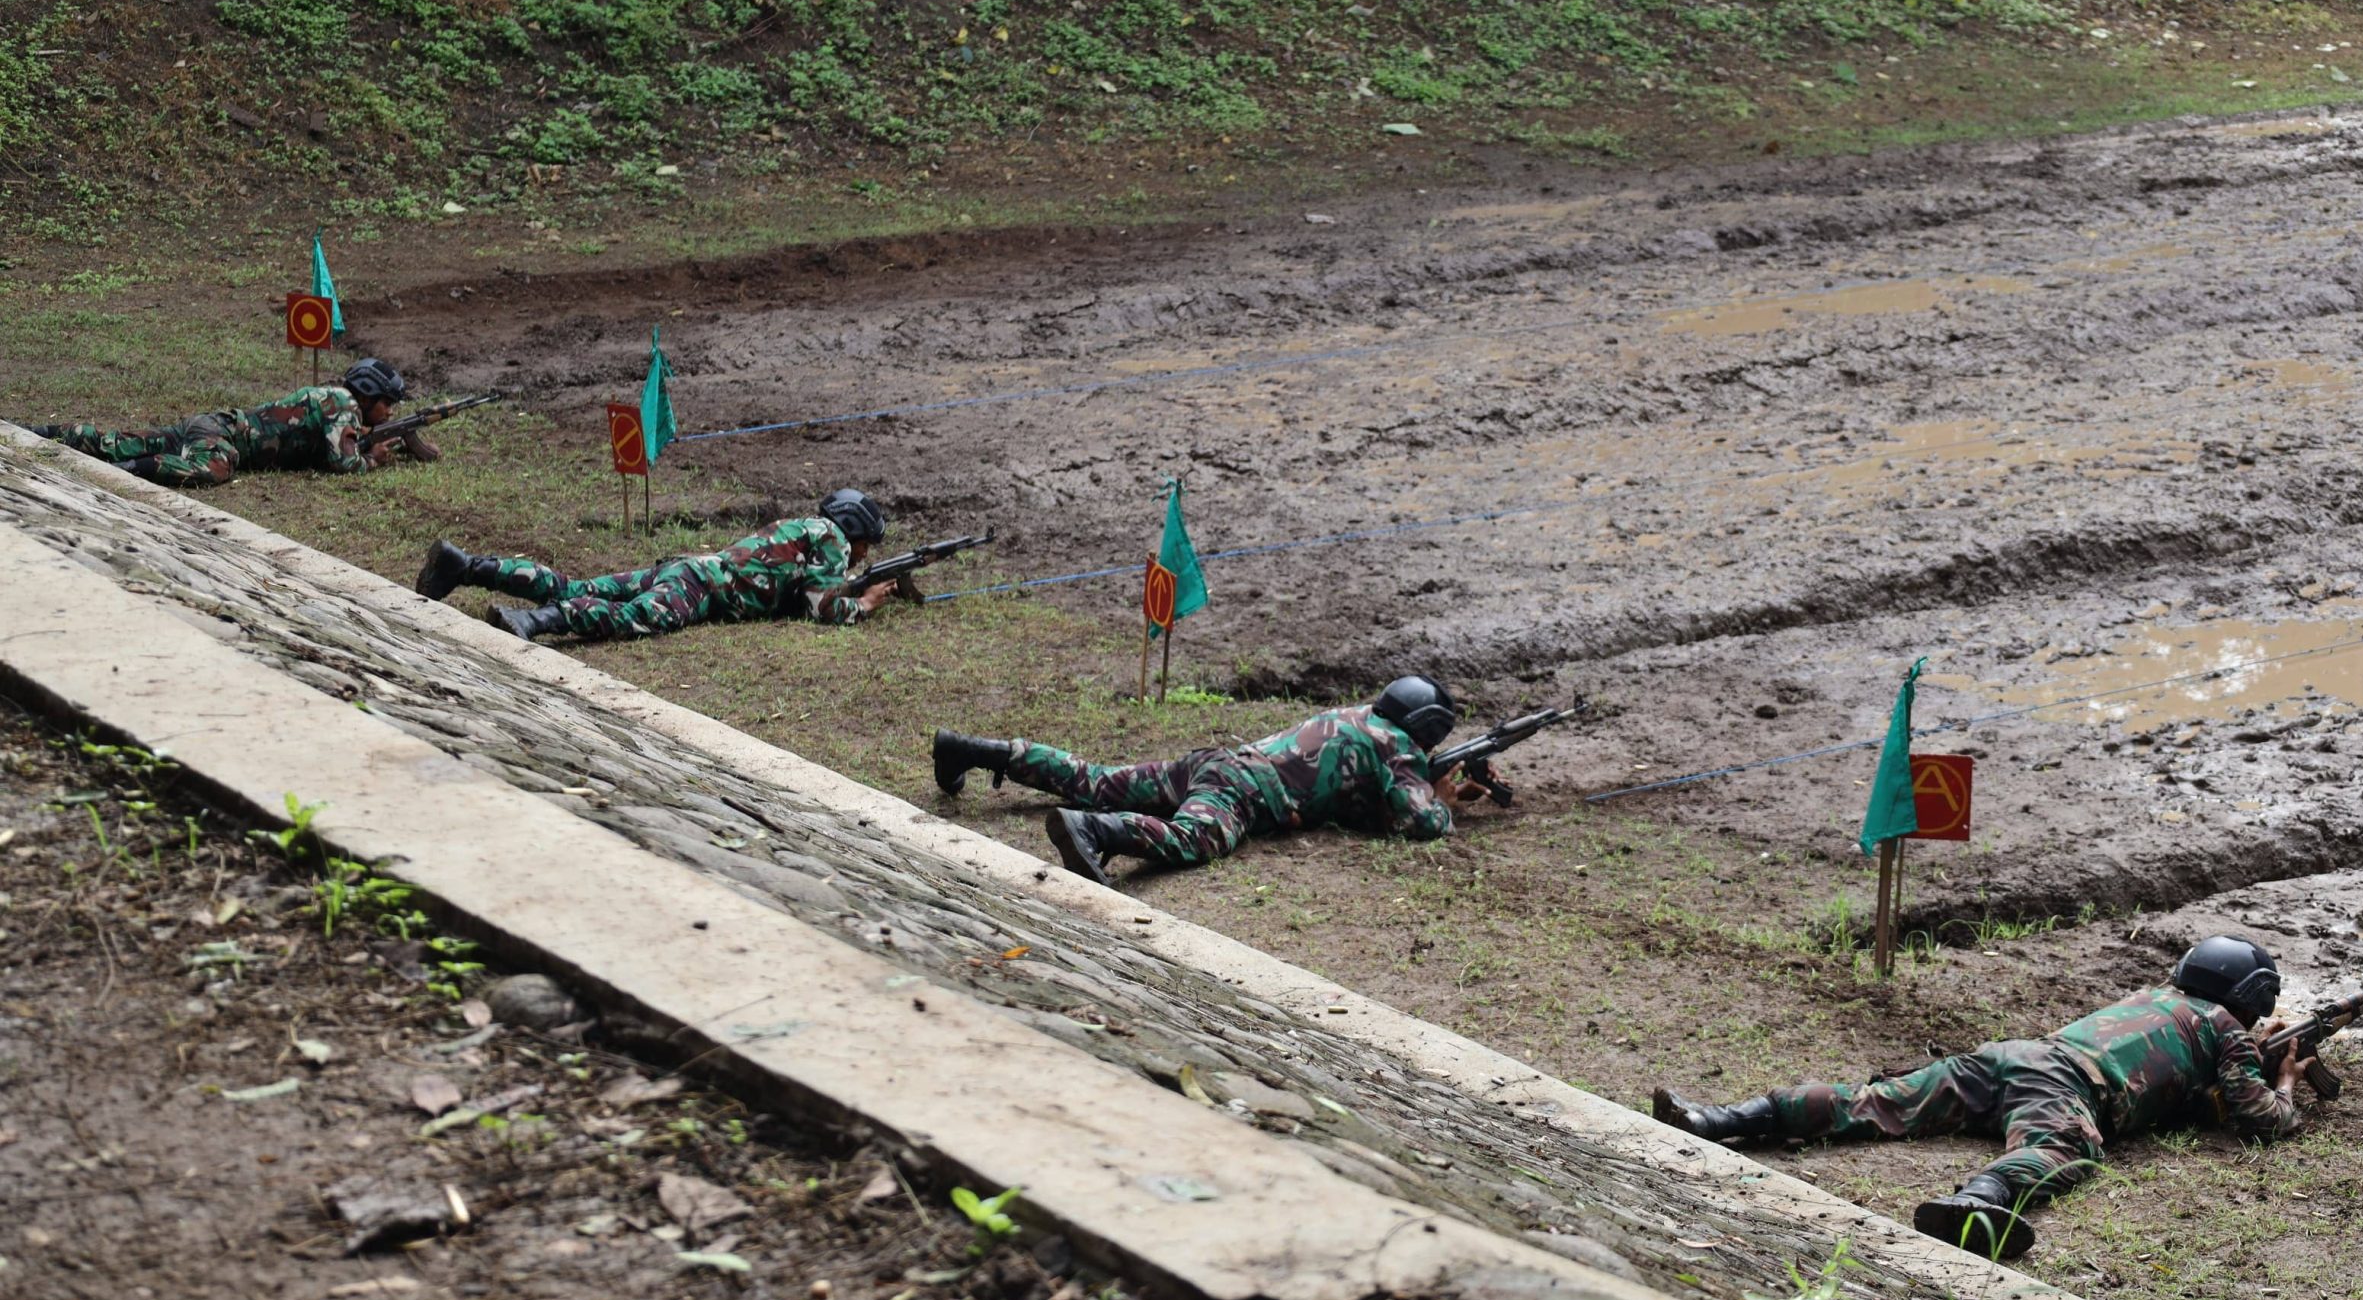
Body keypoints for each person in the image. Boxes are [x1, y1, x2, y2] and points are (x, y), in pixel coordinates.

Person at [1650, 935, 2312, 1261]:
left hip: (2011, 1055)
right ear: (2251, 998)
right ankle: (1980, 1201)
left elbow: (2182, 1085)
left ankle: (1724, 1118)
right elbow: (2260, 1120)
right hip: (2067, 1085)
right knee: (2063, 1148)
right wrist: (2284, 1075)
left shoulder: (2155, 997)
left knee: (1876, 1100)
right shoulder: (2226, 1028)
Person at [932, 675, 1490, 881]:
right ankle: (1095, 834)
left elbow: (1350, 798)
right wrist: (1441, 799)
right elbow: (1422, 824)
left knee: (1095, 778)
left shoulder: (1356, 718)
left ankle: (975, 750)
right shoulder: (1396, 747)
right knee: (1195, 839)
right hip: (1242, 793)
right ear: (1426, 727)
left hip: (1217, 762)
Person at [412, 488, 899, 642]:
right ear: (852, 531)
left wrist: (850, 586)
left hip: (689, 568)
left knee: (578, 584)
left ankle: (468, 566)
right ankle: (535, 621)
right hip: (702, 590)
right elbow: (821, 606)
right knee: (631, 619)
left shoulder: (805, 528)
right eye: (865, 547)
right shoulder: (834, 541)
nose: (864, 556)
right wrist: (866, 603)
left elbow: (796, 589)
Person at [29, 358, 419, 487]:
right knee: (215, 468)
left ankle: (43, 433)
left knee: (121, 439)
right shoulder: (345, 405)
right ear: (367, 394)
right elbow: (342, 463)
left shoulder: (335, 398)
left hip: (213, 424)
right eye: (387, 404)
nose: (388, 413)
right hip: (222, 437)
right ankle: (125, 472)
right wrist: (372, 458)